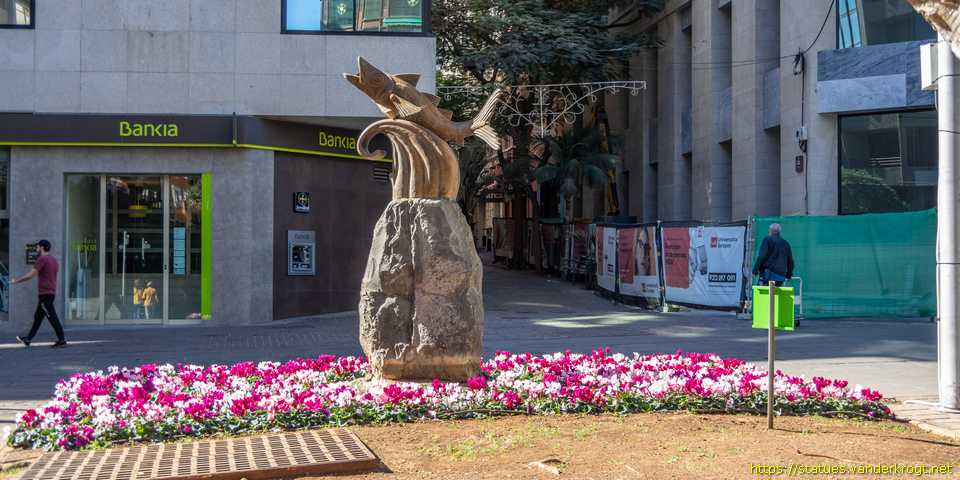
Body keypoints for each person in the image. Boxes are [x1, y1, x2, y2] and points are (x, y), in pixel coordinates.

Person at [13, 240, 67, 348]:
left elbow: (31, 275)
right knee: (38, 317)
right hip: (50, 292)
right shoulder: (53, 260)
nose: (36, 249)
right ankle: (28, 339)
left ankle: (62, 340)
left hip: (45, 294)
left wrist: (17, 281)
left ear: (42, 247)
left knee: (52, 317)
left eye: (37, 247)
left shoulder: (42, 259)